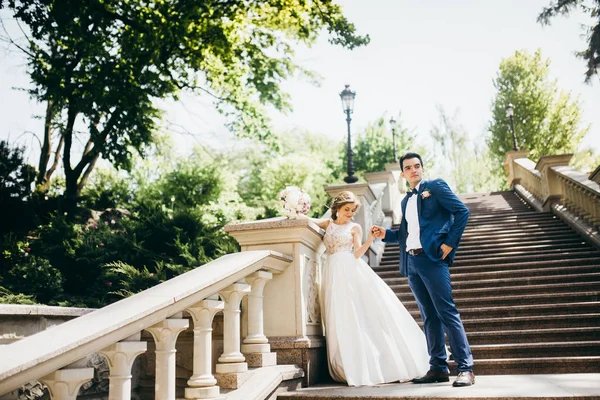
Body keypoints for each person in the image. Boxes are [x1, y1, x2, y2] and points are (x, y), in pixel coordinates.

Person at [371, 152, 475, 387]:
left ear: (422, 169)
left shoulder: (435, 187)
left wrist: (450, 242)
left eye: (417, 166)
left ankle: (466, 368)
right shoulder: (406, 201)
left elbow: (462, 211)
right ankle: (438, 367)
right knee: (429, 317)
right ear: (403, 173)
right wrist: (385, 234)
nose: (414, 170)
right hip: (413, 263)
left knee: (446, 313)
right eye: (408, 168)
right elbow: (405, 235)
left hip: (433, 260)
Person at [309, 190, 429, 387]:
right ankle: (344, 362)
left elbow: (357, 254)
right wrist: (295, 206)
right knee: (336, 314)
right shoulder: (327, 224)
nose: (349, 213)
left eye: (352, 210)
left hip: (348, 269)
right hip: (331, 270)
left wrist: (369, 240)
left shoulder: (354, 227)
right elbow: (309, 222)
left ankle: (366, 365)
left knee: (353, 312)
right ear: (337, 208)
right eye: (346, 209)